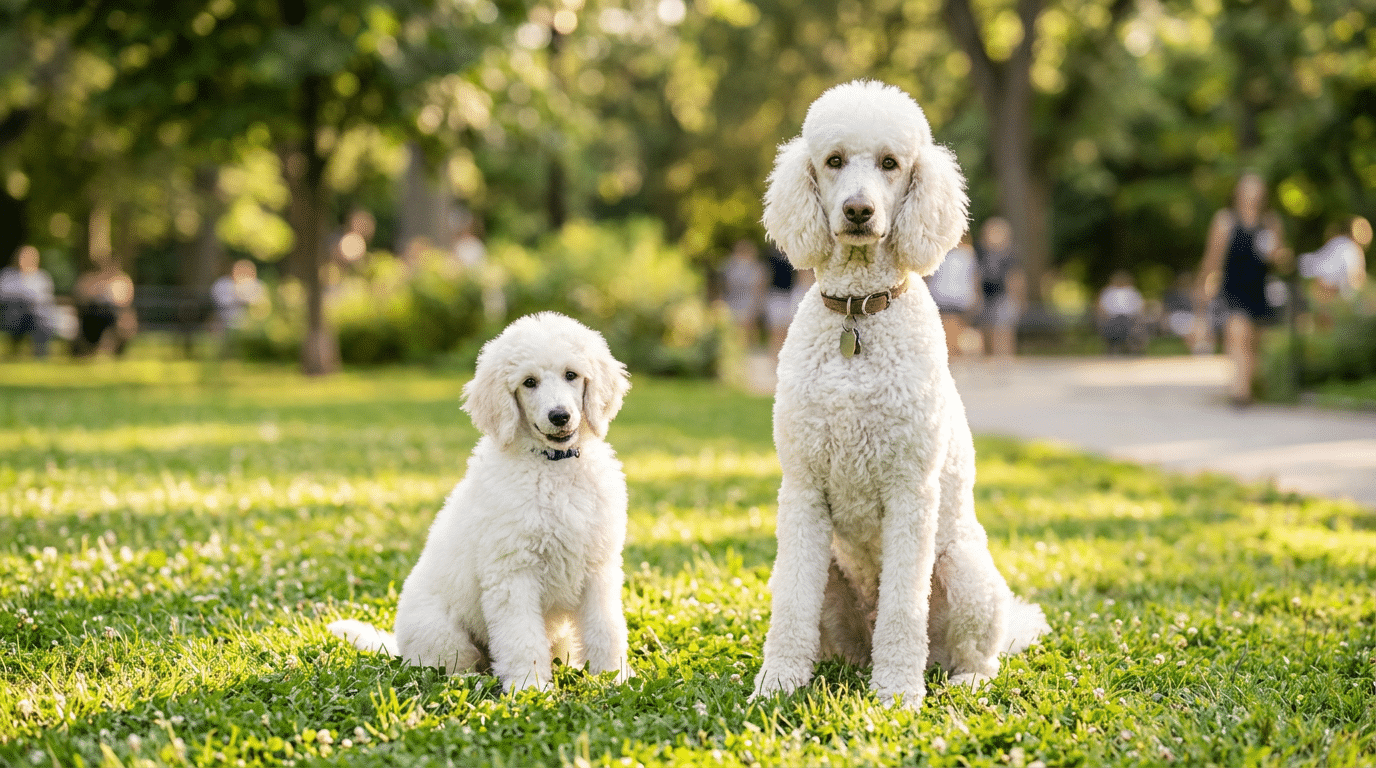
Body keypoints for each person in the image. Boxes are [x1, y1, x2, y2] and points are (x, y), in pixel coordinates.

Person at [1196, 172, 1286, 406]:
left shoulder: (1270, 222)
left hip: (1259, 289)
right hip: (1233, 288)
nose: (1251, 195)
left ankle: (1246, 385)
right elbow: (1212, 259)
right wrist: (1202, 288)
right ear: (1237, 193)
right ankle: (1240, 393)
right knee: (1238, 334)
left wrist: (1277, 252)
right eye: (1247, 190)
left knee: (1252, 343)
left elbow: (1282, 259)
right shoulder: (1225, 220)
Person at [1299, 218, 1368, 329]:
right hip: (1325, 285)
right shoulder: (1350, 249)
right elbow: (1351, 280)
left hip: (1319, 282)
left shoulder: (1341, 243)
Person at [975, 217, 1025, 358]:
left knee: (1004, 330)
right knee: (986, 330)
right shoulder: (980, 253)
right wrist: (977, 296)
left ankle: (1005, 359)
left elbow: (1015, 278)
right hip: (986, 297)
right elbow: (976, 277)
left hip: (1003, 296)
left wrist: (1017, 299)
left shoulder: (1010, 255)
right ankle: (991, 361)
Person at [925, 233, 981, 358]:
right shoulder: (939, 253)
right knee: (947, 331)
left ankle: (953, 355)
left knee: (953, 331)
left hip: (957, 297)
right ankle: (952, 355)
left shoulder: (967, 253)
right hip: (943, 296)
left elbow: (973, 276)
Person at [73, 256, 136, 357]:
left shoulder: (122, 280)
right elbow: (81, 297)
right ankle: (94, 348)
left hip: (113, 312)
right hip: (91, 313)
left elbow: (125, 301)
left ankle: (105, 349)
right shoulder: (89, 278)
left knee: (114, 319)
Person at [0, 245, 56, 358]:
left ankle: (41, 354)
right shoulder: (8, 275)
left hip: (36, 316)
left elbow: (47, 300)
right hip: (14, 316)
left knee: (42, 321)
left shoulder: (42, 277)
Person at [719, 239, 767, 349]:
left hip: (750, 301)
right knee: (735, 327)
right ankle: (738, 350)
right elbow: (726, 285)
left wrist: (758, 303)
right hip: (734, 300)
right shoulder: (731, 265)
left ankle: (752, 348)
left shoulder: (756, 267)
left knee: (749, 326)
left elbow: (760, 286)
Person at [1096, 270, 1146, 355]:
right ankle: (1116, 347)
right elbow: (1100, 307)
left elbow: (1140, 307)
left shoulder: (1132, 291)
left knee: (1131, 325)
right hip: (1111, 319)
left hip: (1130, 319)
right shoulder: (1108, 292)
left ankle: (1133, 348)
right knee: (1116, 324)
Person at [210, 259, 266, 334]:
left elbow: (261, 303)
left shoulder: (258, 285)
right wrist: (239, 297)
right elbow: (220, 301)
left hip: (252, 325)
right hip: (225, 323)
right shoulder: (223, 284)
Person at [763, 244, 798, 361]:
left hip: (789, 295)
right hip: (775, 295)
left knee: (786, 330)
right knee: (775, 329)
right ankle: (772, 357)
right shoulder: (771, 255)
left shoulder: (794, 254)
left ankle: (782, 358)